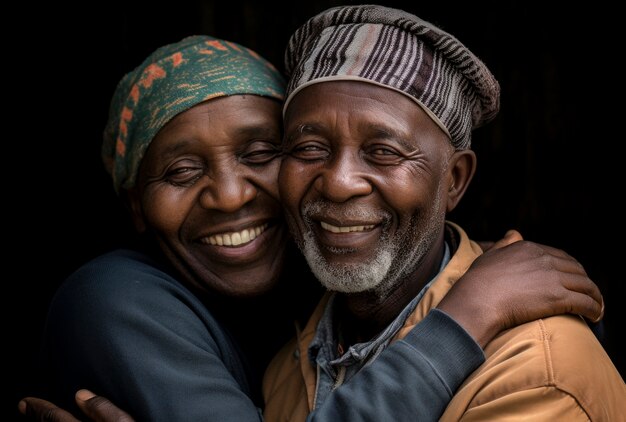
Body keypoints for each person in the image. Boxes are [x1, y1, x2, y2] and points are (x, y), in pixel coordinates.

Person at [18, 29, 607, 422]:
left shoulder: (532, 369)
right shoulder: (115, 302)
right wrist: (466, 316)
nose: (227, 196)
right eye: (179, 170)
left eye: (259, 153)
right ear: (135, 207)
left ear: (453, 180)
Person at [259, 4, 626, 421]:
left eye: (384, 152)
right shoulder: (287, 371)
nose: (339, 182)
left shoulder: (534, 372)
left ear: (454, 180)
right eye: (309, 149)